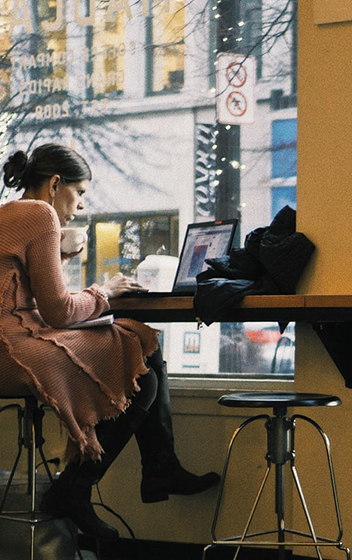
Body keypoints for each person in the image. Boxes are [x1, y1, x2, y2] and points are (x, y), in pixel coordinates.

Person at [0, 144, 220, 540]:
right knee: (141, 358)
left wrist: (62, 256)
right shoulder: (40, 214)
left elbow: (21, 294)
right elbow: (59, 312)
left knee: (136, 342)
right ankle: (79, 488)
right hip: (12, 347)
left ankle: (154, 469)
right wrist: (107, 290)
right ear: (54, 185)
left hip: (13, 336)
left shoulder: (10, 212)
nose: (81, 205)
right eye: (79, 192)